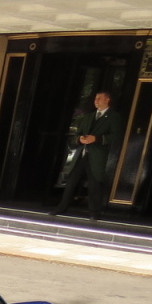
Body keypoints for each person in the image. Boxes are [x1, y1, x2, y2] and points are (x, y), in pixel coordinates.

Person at [50, 90, 119, 222]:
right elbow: (76, 135)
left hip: (98, 156)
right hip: (82, 154)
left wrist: (97, 139)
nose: (96, 101)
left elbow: (116, 136)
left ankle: (94, 212)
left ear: (107, 100)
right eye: (95, 98)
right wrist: (79, 139)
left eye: (99, 98)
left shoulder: (114, 117)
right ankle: (61, 207)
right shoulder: (88, 117)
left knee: (94, 184)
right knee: (71, 182)